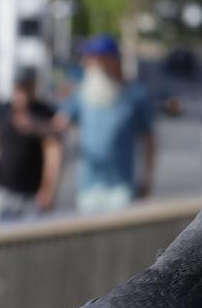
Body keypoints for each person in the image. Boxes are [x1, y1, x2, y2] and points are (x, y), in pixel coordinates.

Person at [55, 34, 156, 214]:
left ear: (112, 60)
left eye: (96, 58)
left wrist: (147, 179)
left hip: (121, 188)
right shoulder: (82, 93)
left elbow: (149, 140)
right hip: (89, 188)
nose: (89, 63)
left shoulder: (134, 95)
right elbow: (58, 124)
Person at [0, 68, 62, 222]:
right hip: (2, 191)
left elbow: (53, 152)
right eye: (19, 87)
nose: (22, 93)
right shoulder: (3, 110)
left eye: (26, 87)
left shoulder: (43, 113)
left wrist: (49, 187)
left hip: (32, 195)